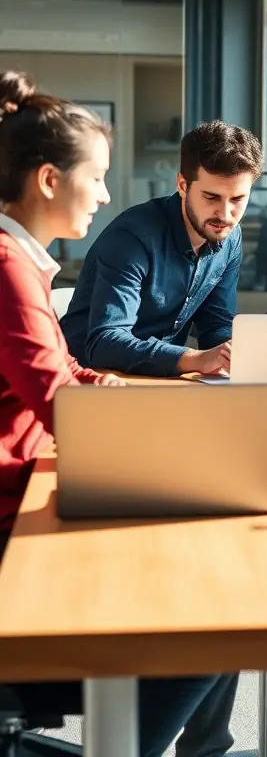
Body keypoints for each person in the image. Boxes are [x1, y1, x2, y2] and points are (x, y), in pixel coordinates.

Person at [0, 71, 236, 757]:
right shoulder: (9, 267)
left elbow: (65, 374)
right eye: (96, 177)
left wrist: (118, 394)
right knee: (216, 611)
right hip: (14, 521)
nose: (105, 194)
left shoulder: (23, 261)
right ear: (50, 179)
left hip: (28, 493)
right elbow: (57, 399)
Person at [61, 119, 263, 377]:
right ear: (182, 185)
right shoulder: (132, 237)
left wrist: (236, 353)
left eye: (237, 199)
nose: (225, 214)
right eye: (211, 197)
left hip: (159, 382)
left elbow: (215, 325)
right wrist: (195, 359)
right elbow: (105, 341)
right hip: (88, 383)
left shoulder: (229, 238)